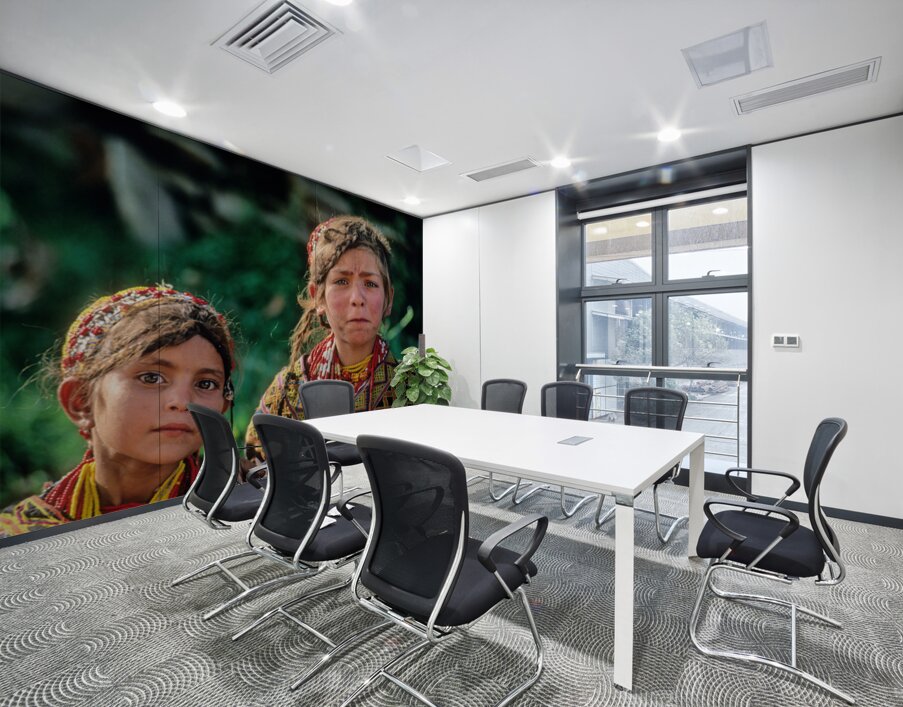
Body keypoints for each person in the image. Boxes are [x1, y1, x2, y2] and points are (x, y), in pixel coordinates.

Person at [0, 285, 236, 538]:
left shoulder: (242, 512)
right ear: (80, 401)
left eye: (206, 384)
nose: (182, 401)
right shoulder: (17, 537)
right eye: (151, 377)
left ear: (223, 406)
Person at [246, 216, 397, 453]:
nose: (357, 298)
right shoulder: (289, 387)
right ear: (318, 296)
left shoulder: (408, 387)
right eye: (341, 281)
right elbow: (255, 455)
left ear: (388, 298)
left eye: (370, 284)